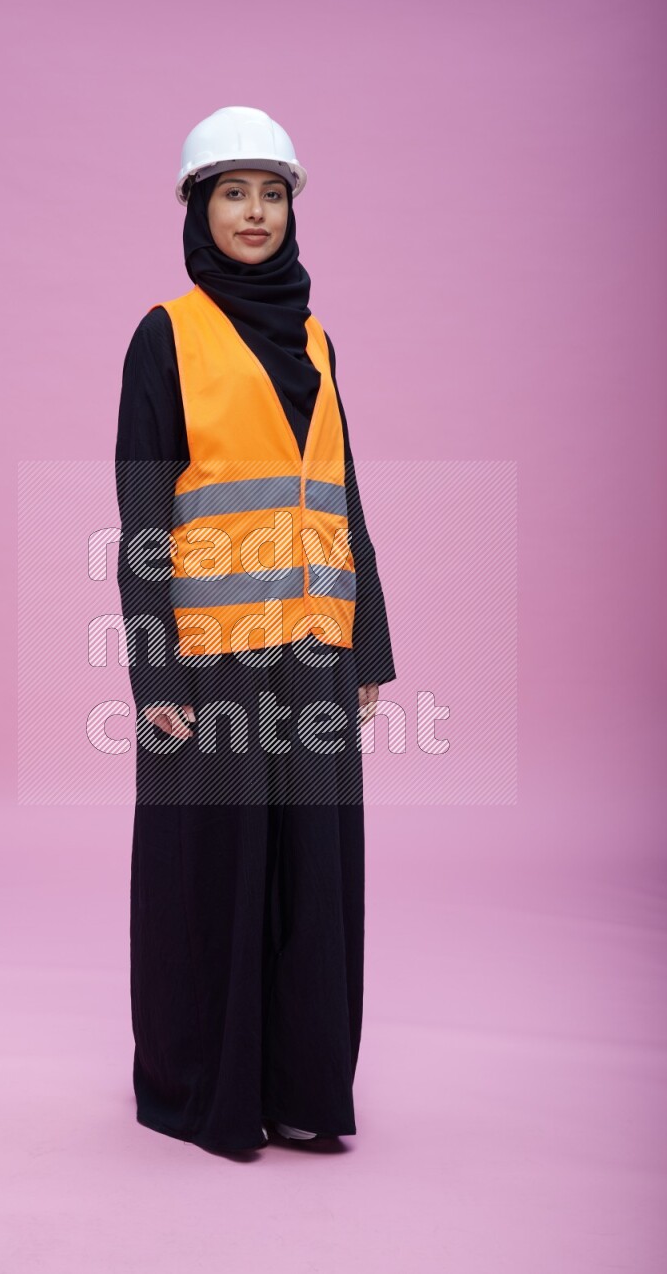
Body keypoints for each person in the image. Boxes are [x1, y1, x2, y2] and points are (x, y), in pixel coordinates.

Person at [115, 106, 396, 1155]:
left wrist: (369, 646)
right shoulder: (165, 336)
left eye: (271, 194)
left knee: (311, 875)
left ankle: (301, 1089)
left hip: (316, 652)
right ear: (198, 207)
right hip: (212, 663)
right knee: (214, 873)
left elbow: (342, 494)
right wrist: (156, 676)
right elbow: (144, 522)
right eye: (232, 192)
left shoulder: (318, 340)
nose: (254, 212)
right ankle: (206, 1092)